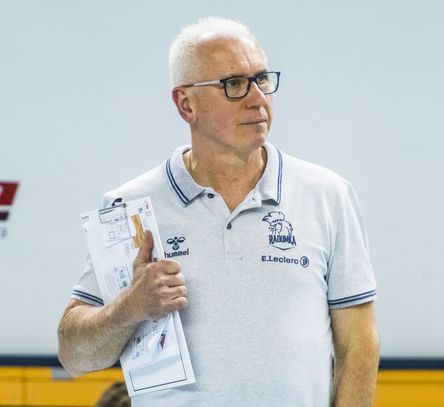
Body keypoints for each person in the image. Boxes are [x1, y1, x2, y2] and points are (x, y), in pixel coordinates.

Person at [58, 17, 379, 407]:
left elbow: (358, 343)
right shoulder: (129, 208)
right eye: (234, 84)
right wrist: (129, 307)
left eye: (262, 79)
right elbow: (74, 356)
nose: (257, 98)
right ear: (186, 104)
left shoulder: (327, 195)